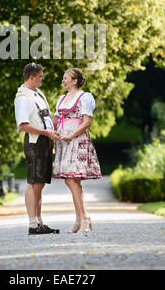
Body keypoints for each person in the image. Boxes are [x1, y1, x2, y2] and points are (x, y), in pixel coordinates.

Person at [53, 68, 102, 234]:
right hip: (63, 142)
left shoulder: (85, 97)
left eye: (66, 78)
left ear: (74, 81)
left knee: (73, 179)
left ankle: (84, 219)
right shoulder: (61, 99)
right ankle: (80, 218)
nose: (63, 81)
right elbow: (56, 120)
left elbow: (87, 122)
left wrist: (70, 135)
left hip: (77, 140)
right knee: (70, 180)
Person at [14, 62, 60, 235]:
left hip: (45, 140)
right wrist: (47, 133)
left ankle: (39, 222)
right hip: (35, 142)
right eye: (40, 76)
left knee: (40, 183)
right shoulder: (23, 98)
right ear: (31, 77)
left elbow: (45, 118)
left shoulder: (38, 94)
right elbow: (24, 125)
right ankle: (33, 224)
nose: (42, 78)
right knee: (33, 182)